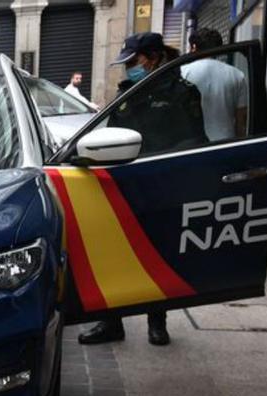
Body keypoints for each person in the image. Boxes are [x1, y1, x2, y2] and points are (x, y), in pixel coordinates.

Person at [79, 32, 206, 348]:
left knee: (157, 253)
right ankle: (111, 322)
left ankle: (157, 323)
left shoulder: (182, 93)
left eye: (133, 62)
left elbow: (194, 140)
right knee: (113, 253)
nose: (129, 69)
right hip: (124, 183)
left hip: (163, 182)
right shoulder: (128, 92)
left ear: (153, 58)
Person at [182, 28, 249, 142]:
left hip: (192, 146)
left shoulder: (182, 73)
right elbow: (241, 120)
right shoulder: (237, 75)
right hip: (225, 145)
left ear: (193, 47)